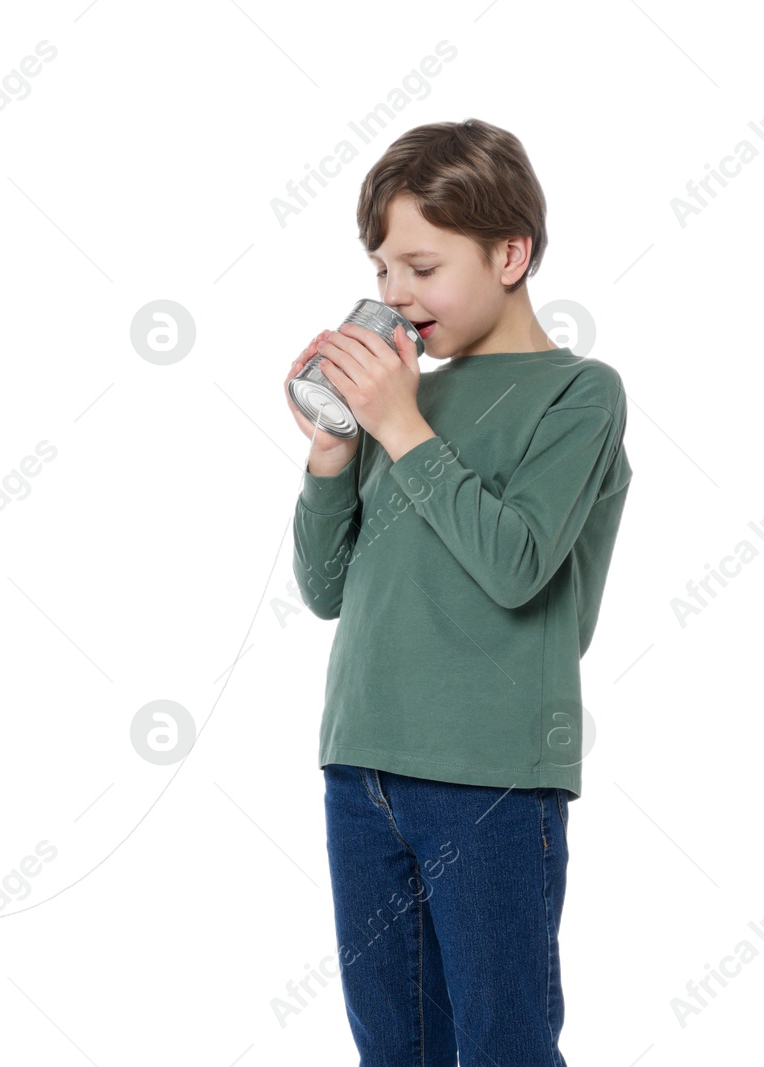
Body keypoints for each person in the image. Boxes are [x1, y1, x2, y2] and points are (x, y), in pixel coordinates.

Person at [283, 118, 632, 1065]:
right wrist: (333, 455)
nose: (395, 296)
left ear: (510, 253)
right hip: (361, 765)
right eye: (382, 268)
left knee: (503, 1043)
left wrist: (399, 428)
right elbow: (324, 589)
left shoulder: (580, 394)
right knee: (396, 1048)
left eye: (422, 268)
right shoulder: (404, 401)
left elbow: (517, 565)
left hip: (490, 779)